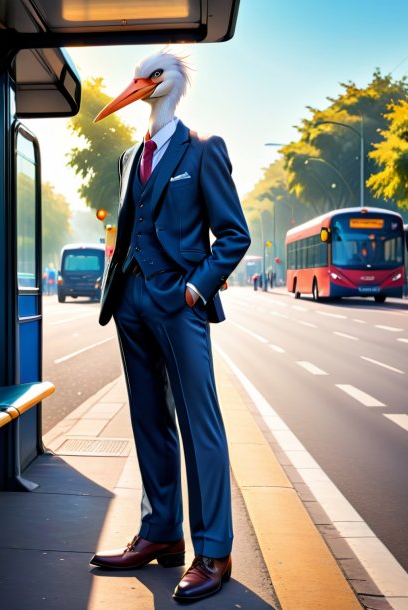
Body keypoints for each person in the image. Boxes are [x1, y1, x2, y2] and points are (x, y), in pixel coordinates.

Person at [90, 51, 250, 603]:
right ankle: (160, 533)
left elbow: (234, 236)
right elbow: (132, 224)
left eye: (152, 76)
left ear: (173, 83)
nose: (140, 86)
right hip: (130, 302)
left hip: (181, 305)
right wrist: (119, 286)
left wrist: (195, 288)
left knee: (198, 425)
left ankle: (214, 552)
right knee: (148, 420)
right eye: (139, 77)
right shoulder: (132, 153)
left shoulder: (204, 150)